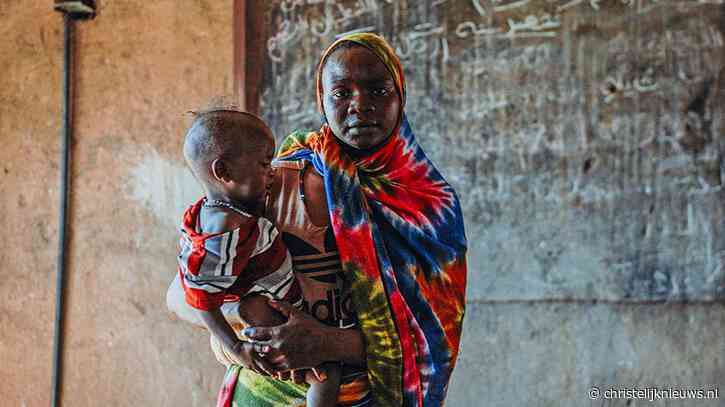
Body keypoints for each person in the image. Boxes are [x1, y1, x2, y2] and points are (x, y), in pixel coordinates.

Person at [168, 32, 467, 407]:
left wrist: (327, 343)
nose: (360, 105)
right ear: (321, 100)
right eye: (342, 93)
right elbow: (183, 294)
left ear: (400, 95)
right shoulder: (270, 179)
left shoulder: (427, 207)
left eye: (378, 90)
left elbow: (435, 339)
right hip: (264, 395)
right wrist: (251, 319)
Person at [176, 109, 341, 407]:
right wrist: (236, 346)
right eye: (264, 164)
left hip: (272, 306)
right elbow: (199, 297)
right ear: (224, 173)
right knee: (326, 372)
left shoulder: (228, 213)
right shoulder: (224, 230)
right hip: (264, 311)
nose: (273, 171)